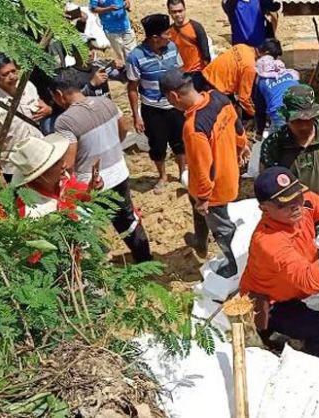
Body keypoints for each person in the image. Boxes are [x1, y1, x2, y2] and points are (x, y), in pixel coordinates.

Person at [240, 166, 319, 358]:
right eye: (284, 204)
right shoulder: (269, 242)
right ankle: (291, 353)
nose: (295, 206)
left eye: (297, 197)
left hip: (293, 282)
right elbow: (311, 281)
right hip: (271, 303)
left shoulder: (304, 204)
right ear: (264, 208)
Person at [50, 67, 152, 263]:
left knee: (88, 227)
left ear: (59, 94)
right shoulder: (106, 103)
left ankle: (97, 266)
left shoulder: (65, 121)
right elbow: (123, 129)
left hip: (89, 184)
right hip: (119, 171)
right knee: (127, 216)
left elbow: (69, 162)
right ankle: (145, 259)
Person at [161, 68, 251, 275]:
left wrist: (203, 198)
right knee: (211, 213)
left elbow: (204, 167)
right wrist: (242, 144)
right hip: (230, 172)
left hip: (215, 189)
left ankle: (235, 264)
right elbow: (237, 123)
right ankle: (200, 240)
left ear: (173, 96)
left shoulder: (193, 127)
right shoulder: (217, 97)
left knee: (222, 229)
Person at [126, 14, 186, 194]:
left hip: (175, 107)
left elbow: (181, 73)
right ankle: (162, 176)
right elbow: (132, 88)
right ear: (154, 37)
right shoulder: (135, 57)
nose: (170, 36)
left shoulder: (172, 48)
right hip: (153, 110)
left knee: (180, 143)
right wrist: (136, 116)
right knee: (158, 146)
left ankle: (183, 172)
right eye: (167, 33)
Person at [260, 85, 319, 201]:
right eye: (297, 121)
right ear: (286, 118)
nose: (304, 126)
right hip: (292, 212)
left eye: (308, 119)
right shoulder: (273, 145)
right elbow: (268, 188)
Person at [8, 134, 103, 219]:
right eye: (55, 163)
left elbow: (77, 192)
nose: (64, 164)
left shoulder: (61, 179)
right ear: (39, 177)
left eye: (60, 159)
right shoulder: (31, 213)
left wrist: (91, 189)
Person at [0, 54, 53, 133]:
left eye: (13, 71)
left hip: (39, 136)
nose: (12, 76)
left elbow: (42, 105)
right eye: (5, 74)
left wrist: (48, 110)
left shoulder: (27, 85)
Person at [202, 43, 257, 119]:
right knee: (232, 117)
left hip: (206, 74)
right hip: (216, 89)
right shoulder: (250, 67)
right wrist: (254, 114)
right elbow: (243, 98)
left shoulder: (242, 47)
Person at [167, 0, 212, 91]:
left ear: (185, 9)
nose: (177, 14)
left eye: (180, 11)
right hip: (181, 73)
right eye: (174, 12)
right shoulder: (170, 31)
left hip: (198, 72)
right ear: (169, 12)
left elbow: (206, 53)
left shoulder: (196, 27)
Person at [253, 55, 299, 134]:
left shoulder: (262, 82)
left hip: (280, 115)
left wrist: (259, 131)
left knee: (275, 143)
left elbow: (260, 110)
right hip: (301, 111)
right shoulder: (290, 75)